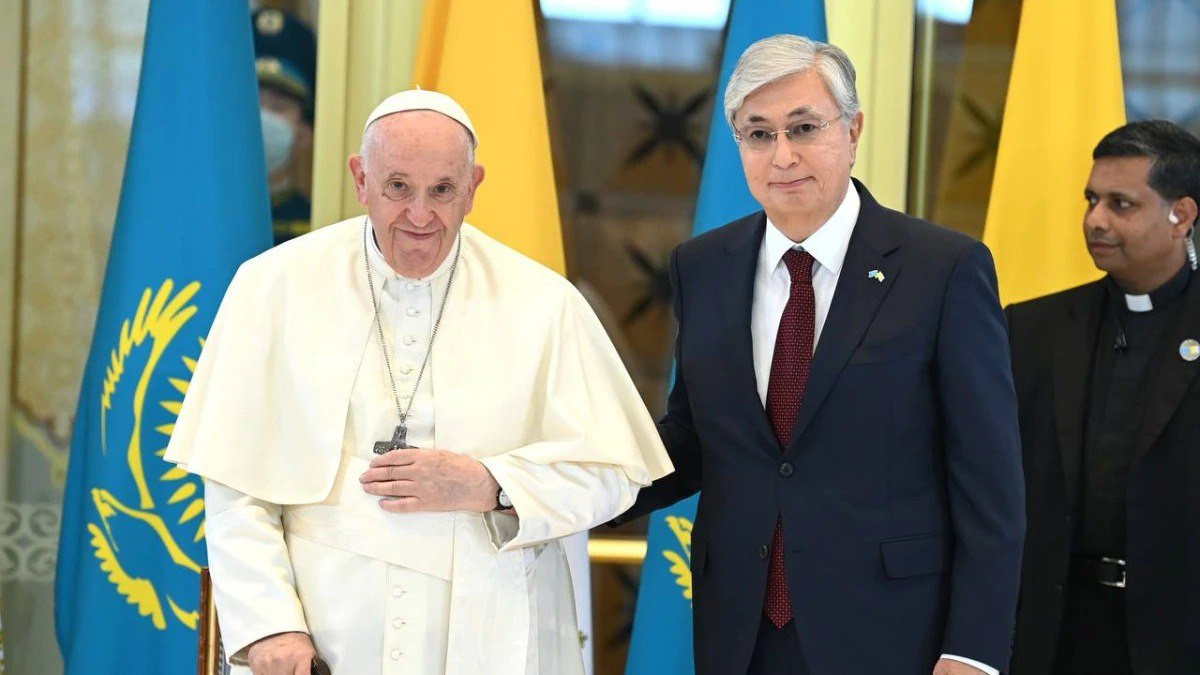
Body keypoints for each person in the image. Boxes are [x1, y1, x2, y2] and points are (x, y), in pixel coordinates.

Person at [165, 89, 672, 675]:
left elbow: (612, 475)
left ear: (473, 187)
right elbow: (236, 488)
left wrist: (492, 485)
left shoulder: (545, 304)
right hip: (322, 634)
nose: (420, 215)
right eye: (398, 187)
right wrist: (271, 625)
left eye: (443, 190)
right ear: (361, 180)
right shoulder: (273, 287)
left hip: (492, 634)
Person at [617, 35, 1025, 674]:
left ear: (853, 131)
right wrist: (552, 493)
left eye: (804, 128)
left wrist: (972, 651)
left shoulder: (943, 269)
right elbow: (694, 440)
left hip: (894, 635)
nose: (783, 156)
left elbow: (990, 483)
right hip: (740, 632)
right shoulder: (703, 266)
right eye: (759, 134)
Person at [1007, 120, 1200, 674]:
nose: (1096, 219)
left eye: (1121, 204)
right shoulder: (1030, 330)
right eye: (1092, 200)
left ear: (1181, 215)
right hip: (1053, 635)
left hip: (1177, 638)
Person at [252, 7, 316, 245]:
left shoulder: (315, 226)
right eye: (251, 105)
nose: (263, 117)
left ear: (304, 134)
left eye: (278, 107)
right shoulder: (199, 215)